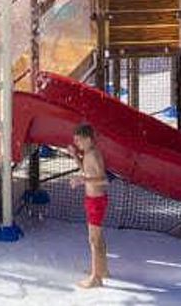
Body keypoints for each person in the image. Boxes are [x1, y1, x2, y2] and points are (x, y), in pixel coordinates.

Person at [66, 123, 109, 288]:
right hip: (93, 200)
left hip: (96, 201)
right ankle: (102, 270)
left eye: (78, 140)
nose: (76, 143)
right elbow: (86, 170)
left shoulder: (93, 155)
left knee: (94, 239)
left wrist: (82, 180)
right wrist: (74, 156)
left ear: (88, 139)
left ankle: (96, 278)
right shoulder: (89, 153)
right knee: (98, 237)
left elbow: (103, 179)